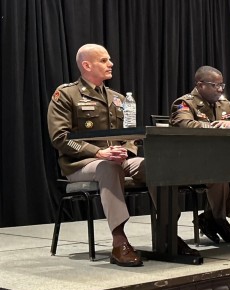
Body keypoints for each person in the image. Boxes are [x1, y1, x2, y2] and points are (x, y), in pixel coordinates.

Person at [47, 43, 198, 267]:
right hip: (81, 164)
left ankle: (169, 234)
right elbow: (60, 137)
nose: (111, 64)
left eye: (109, 60)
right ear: (87, 65)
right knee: (109, 167)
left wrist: (125, 150)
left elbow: (129, 134)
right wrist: (99, 152)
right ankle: (119, 242)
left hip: (118, 159)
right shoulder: (66, 94)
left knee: (156, 165)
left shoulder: (117, 98)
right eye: (104, 60)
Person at [170, 65, 230, 244]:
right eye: (215, 85)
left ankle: (210, 218)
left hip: (221, 160)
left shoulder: (224, 104)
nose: (219, 89)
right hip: (190, 161)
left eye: (221, 85)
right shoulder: (184, 103)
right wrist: (216, 126)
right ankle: (219, 220)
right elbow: (186, 126)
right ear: (200, 84)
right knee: (219, 171)